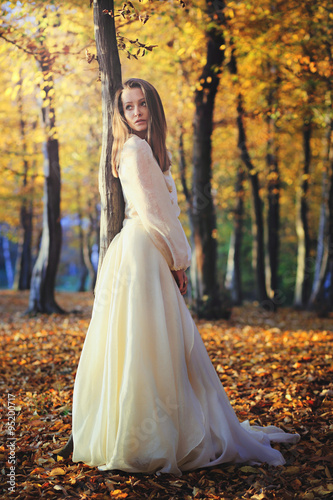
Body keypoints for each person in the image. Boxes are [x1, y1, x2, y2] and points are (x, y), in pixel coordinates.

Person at [58, 78, 299, 476]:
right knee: (148, 343)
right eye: (128, 107)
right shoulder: (135, 151)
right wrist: (179, 260)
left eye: (141, 105)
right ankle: (144, 438)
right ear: (120, 113)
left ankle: (145, 431)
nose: (135, 113)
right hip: (145, 251)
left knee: (145, 342)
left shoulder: (142, 151)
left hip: (139, 251)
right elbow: (158, 214)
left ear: (153, 107)